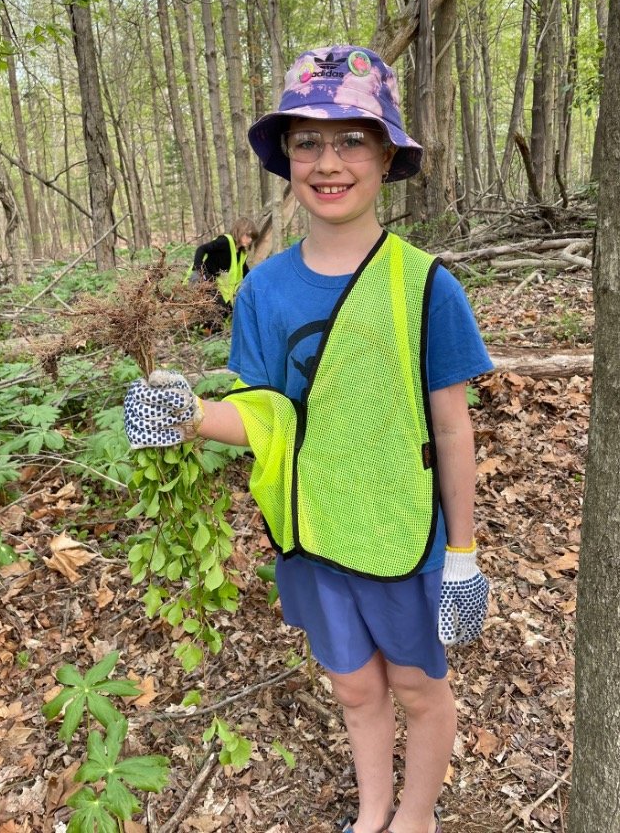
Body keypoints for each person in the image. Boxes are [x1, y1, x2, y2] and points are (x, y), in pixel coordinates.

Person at [124, 45, 493, 833]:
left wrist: (462, 555)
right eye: (307, 142)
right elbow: (264, 419)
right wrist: (185, 414)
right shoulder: (263, 289)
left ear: (387, 153)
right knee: (356, 688)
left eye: (352, 138)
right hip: (312, 531)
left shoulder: (428, 285)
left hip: (403, 531)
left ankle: (417, 816)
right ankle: (372, 813)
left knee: (420, 689)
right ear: (286, 157)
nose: (329, 162)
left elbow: (453, 429)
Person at [190, 217, 259, 322]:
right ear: (240, 231)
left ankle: (211, 332)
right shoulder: (224, 241)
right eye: (248, 235)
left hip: (216, 286)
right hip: (202, 280)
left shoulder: (241, 254)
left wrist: (258, 283)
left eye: (252, 238)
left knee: (228, 313)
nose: (250, 240)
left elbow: (246, 273)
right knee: (220, 311)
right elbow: (201, 249)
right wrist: (198, 270)